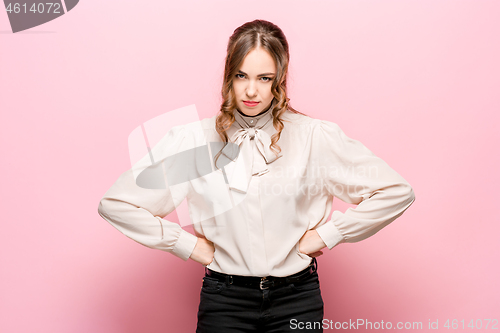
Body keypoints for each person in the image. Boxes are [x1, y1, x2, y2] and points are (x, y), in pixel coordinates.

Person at [97, 19, 415, 333]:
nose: (252, 90)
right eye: (241, 76)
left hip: (297, 299)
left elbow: (395, 191)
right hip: (224, 302)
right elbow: (117, 204)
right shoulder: (193, 141)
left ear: (280, 80)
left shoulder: (314, 137)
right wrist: (187, 245)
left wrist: (327, 235)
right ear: (228, 77)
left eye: (264, 78)